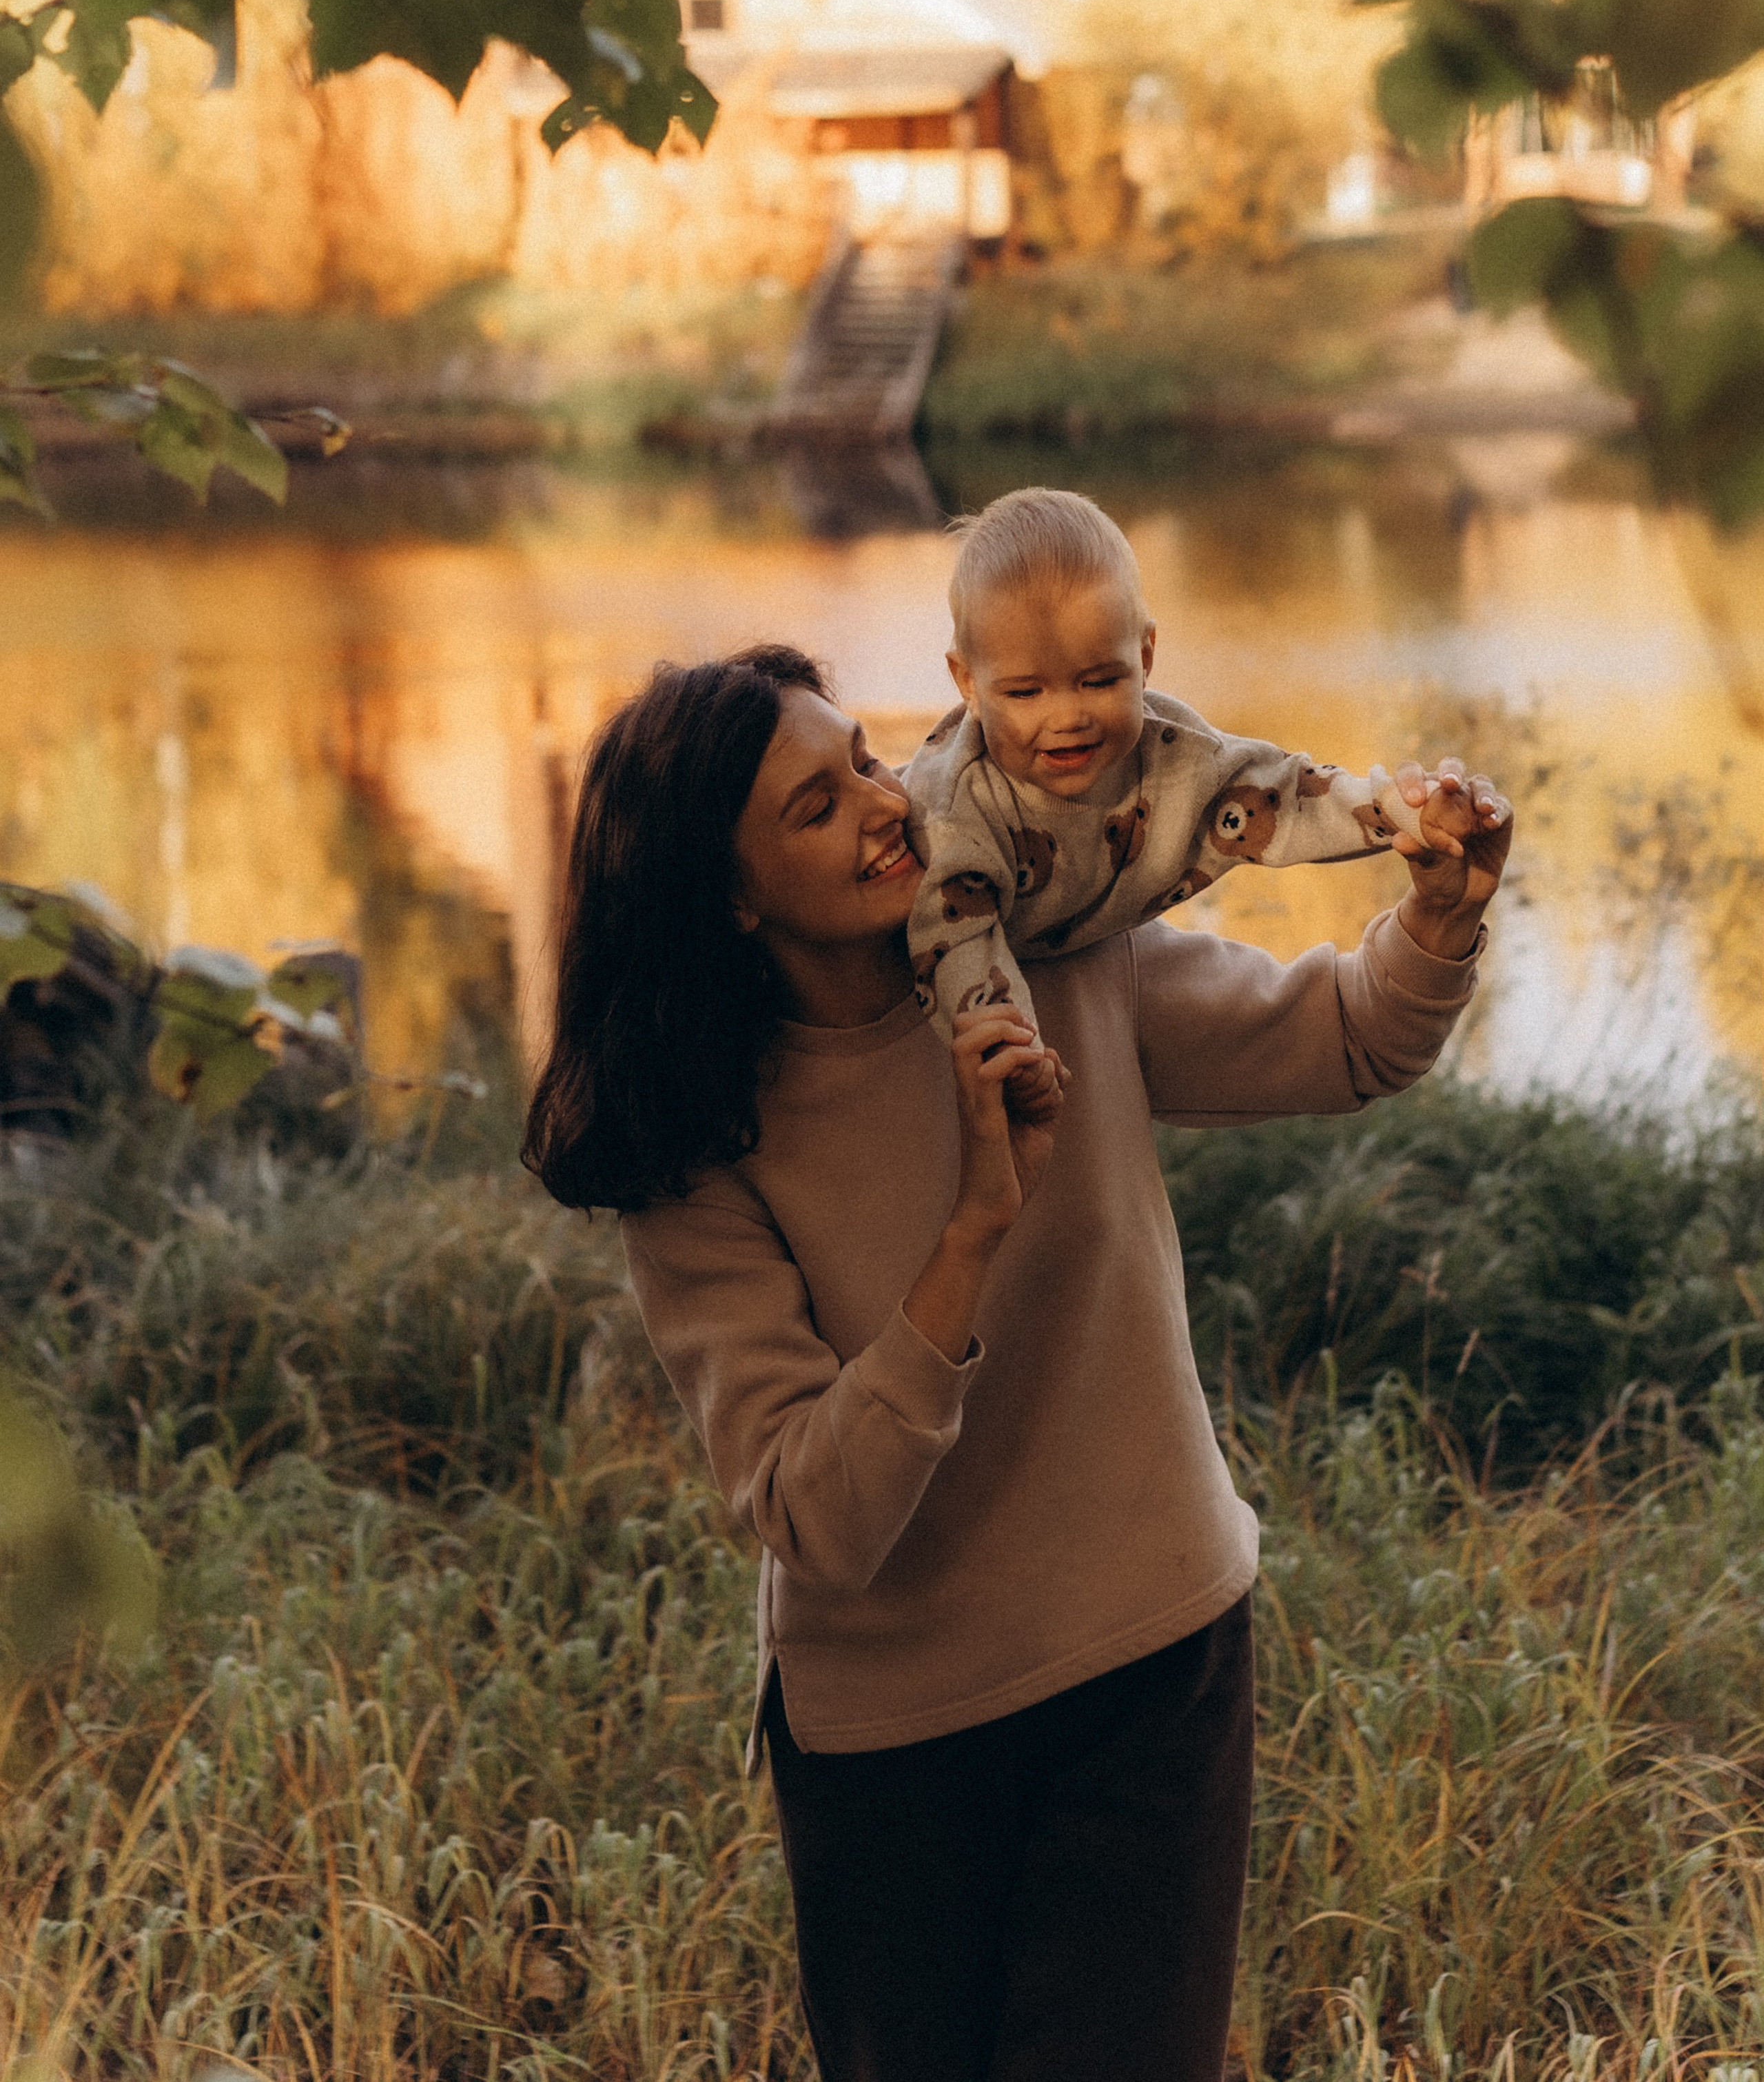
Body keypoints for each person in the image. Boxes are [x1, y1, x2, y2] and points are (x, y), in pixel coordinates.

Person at [523, 643, 1512, 2082]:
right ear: (728, 897)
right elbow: (815, 1518)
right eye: (816, 807)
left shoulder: (1053, 950)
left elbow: (1344, 1041)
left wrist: (1438, 914)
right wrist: (974, 1227)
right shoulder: (692, 1148)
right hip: (891, 1745)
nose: (882, 802)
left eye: (863, 758)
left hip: (1149, 1669)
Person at [906, 487, 1504, 1065]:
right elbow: (955, 944)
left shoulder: (1175, 757)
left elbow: (1289, 799)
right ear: (968, 684)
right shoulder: (952, 808)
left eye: (1099, 681)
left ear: (1144, 657)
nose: (1068, 717)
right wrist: (1015, 1055)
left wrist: (1406, 812)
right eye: (1025, 692)